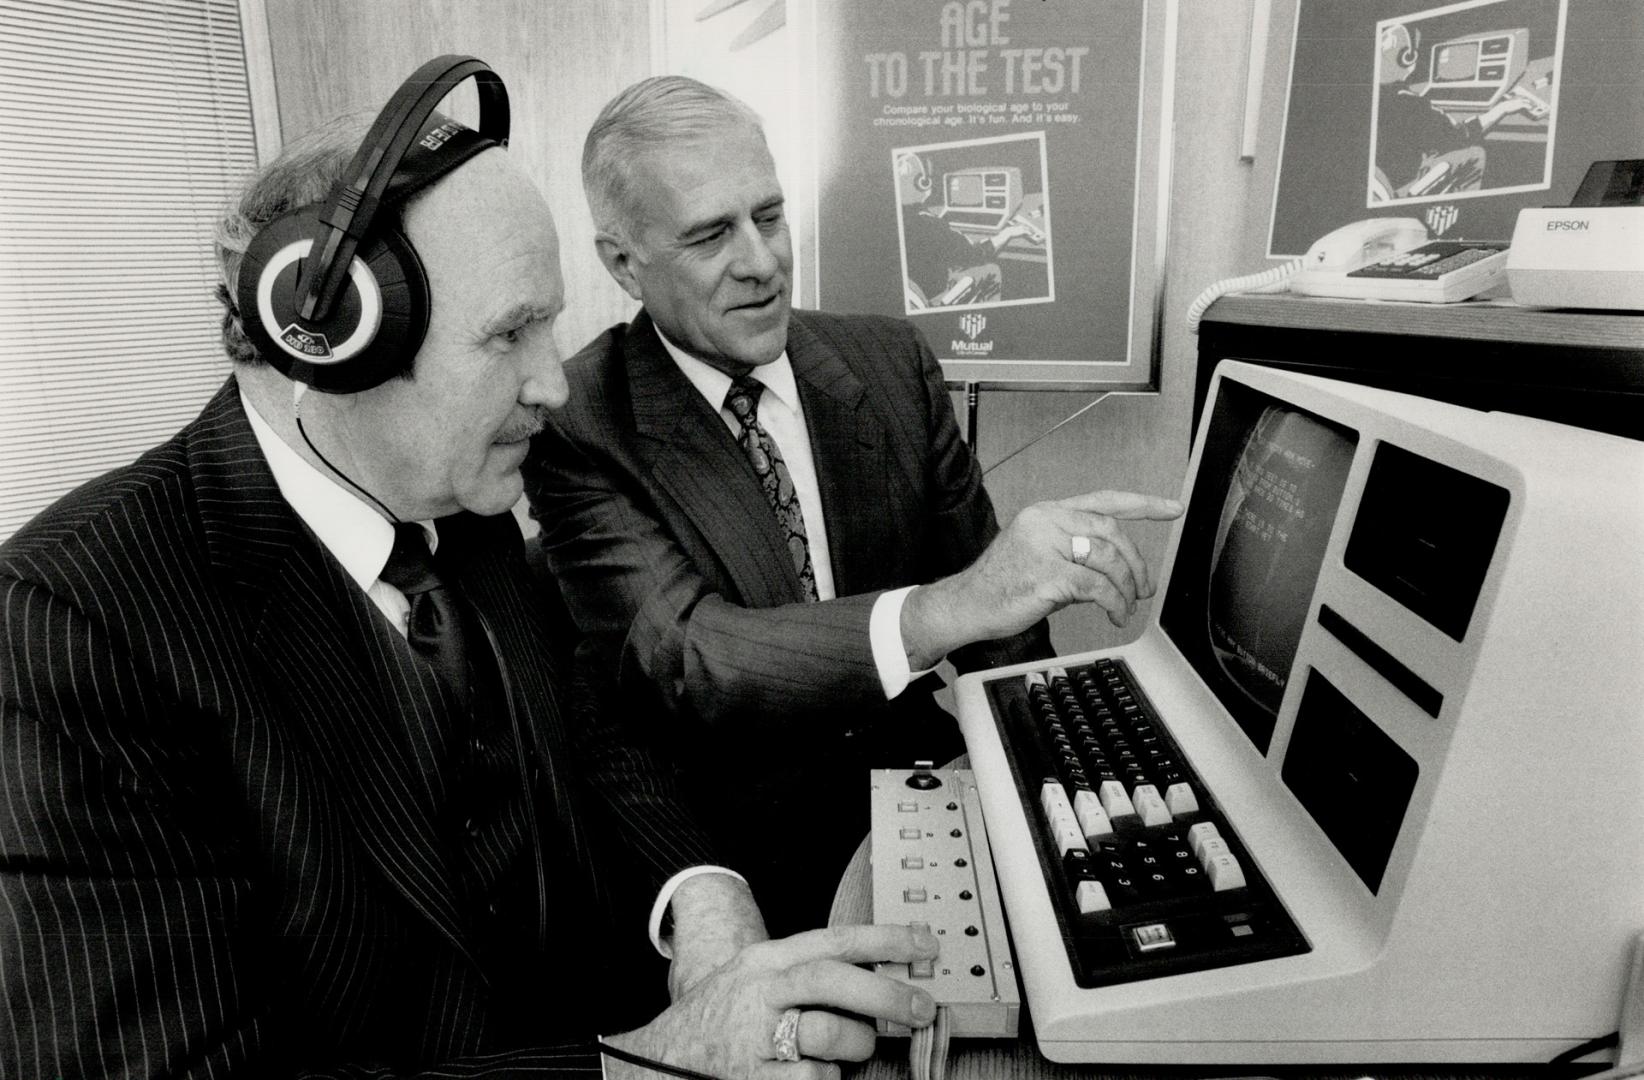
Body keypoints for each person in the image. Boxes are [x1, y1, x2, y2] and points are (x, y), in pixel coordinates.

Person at [0, 59, 940, 1079]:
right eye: (507, 336)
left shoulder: (469, 505)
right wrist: (647, 1064)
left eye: (552, 324)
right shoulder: (66, 627)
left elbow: (592, 730)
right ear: (332, 338)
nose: (552, 383)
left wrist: (703, 898)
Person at [523, 75, 1182, 935]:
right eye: (710, 234)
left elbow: (1003, 633)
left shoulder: (891, 362)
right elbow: (689, 656)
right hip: (739, 863)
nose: (760, 262)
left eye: (769, 214)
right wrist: (950, 607)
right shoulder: (577, 422)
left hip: (922, 796)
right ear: (622, 261)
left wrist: (1072, 805)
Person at [1371, 22, 1539, 200]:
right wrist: (1501, 109)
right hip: (1399, 191)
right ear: (1407, 58)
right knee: (1475, 154)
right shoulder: (1411, 103)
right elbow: (1459, 136)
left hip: (1380, 185)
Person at [895, 150, 1033, 306]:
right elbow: (974, 254)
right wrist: (1007, 233)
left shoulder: (896, 219)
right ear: (922, 183)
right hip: (934, 297)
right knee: (992, 269)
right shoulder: (931, 224)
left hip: (916, 290)